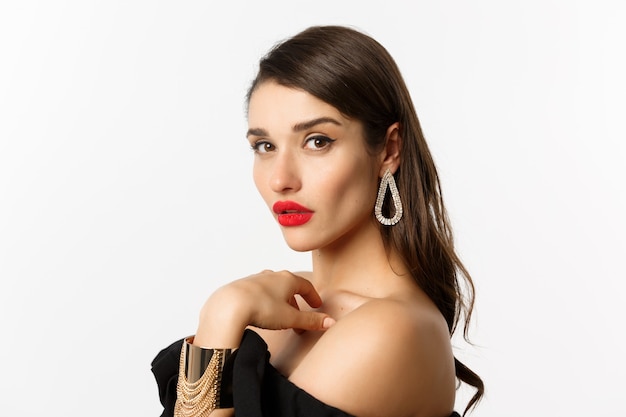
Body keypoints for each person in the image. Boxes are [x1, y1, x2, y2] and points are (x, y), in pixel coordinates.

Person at [152, 25, 484, 417]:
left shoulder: (393, 331)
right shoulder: (274, 305)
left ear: (389, 150)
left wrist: (221, 314)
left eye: (317, 141)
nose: (280, 179)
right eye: (265, 146)